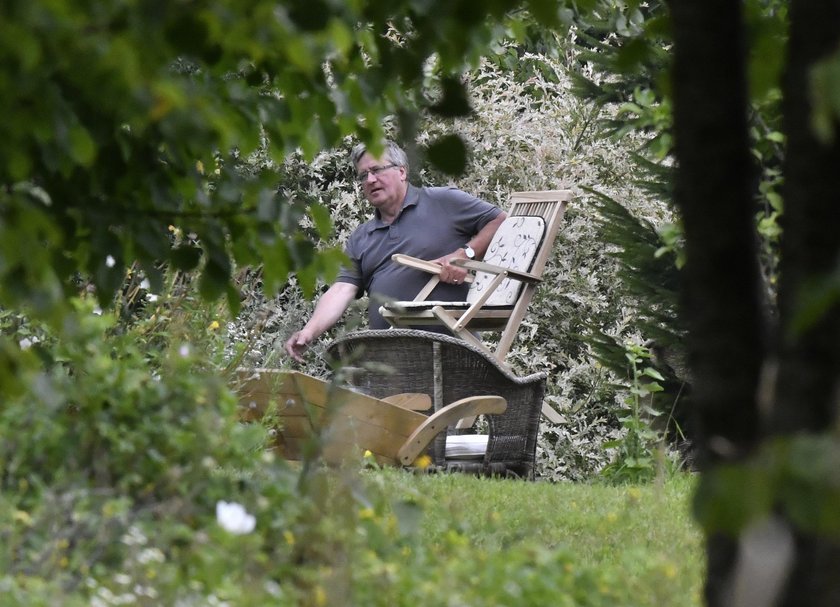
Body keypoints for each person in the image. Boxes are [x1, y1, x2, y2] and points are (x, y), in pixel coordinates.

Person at [284, 139, 506, 362]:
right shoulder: (362, 237)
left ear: (401, 172)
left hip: (453, 355)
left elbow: (500, 220)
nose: (370, 180)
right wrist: (309, 331)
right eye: (363, 175)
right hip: (390, 363)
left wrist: (465, 254)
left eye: (377, 170)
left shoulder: (443, 201)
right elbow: (342, 289)